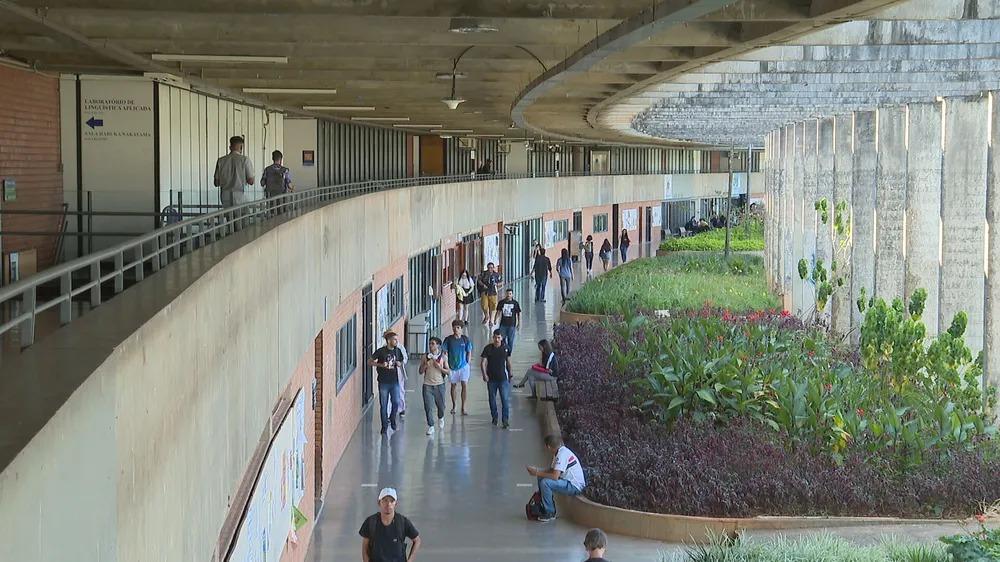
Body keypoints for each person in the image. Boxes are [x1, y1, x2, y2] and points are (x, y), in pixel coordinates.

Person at [526, 434, 586, 522]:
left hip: (574, 486)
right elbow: (552, 470)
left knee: (545, 483)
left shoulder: (561, 455)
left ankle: (550, 513)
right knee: (541, 477)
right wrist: (537, 470)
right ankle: (544, 504)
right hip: (567, 481)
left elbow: (554, 476)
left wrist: (536, 473)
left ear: (548, 447)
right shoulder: (559, 452)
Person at [359, 487, 421, 562]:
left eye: (392, 501)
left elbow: (417, 540)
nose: (388, 504)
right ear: (379, 503)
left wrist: (410, 560)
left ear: (396, 504)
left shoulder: (402, 522)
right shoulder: (371, 522)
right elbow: (365, 547)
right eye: (385, 500)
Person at [369, 331, 405, 434]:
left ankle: (392, 419)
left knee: (396, 402)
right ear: (389, 341)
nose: (396, 341)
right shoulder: (381, 351)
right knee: (383, 405)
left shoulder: (398, 351)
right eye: (395, 340)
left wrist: (400, 363)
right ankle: (384, 426)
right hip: (383, 382)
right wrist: (381, 365)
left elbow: (402, 361)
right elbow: (370, 362)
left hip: (394, 381)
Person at [480, 330, 513, 429]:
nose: (497, 339)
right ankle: (494, 417)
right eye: (495, 337)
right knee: (492, 399)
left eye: (499, 337)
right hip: (491, 379)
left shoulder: (506, 348)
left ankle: (505, 420)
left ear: (502, 338)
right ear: (493, 338)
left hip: (503, 378)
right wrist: (484, 374)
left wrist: (510, 373)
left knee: (505, 400)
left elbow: (508, 362)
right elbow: (483, 363)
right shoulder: (488, 349)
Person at [213, 135, 255, 208]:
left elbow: (216, 183)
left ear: (230, 147)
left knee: (228, 214)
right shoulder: (245, 160)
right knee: (241, 214)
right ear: (241, 147)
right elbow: (251, 181)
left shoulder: (221, 161)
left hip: (225, 195)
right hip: (239, 195)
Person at [442, 320, 474, 415]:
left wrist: (468, 363)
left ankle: (463, 407)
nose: (456, 329)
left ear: (461, 329)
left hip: (463, 366)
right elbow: (445, 352)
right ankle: (454, 406)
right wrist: (446, 365)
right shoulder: (448, 340)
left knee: (464, 385)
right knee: (453, 386)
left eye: (458, 327)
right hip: (452, 367)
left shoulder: (465, 339)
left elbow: (469, 351)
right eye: (454, 327)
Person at [419, 337, 449, 436]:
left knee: (441, 406)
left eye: (433, 343)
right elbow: (420, 371)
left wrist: (440, 368)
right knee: (428, 407)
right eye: (430, 344)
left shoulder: (443, 357)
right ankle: (431, 426)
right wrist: (425, 366)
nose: (430, 345)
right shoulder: (425, 357)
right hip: (427, 385)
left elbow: (448, 371)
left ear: (438, 345)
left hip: (439, 385)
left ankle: (441, 417)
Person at [497, 288, 521, 356]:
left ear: (512, 294)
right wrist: (495, 319)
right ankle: (504, 351)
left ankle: (509, 353)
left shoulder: (515, 303)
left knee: (511, 340)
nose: (508, 295)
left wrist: (519, 323)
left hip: (512, 325)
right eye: (507, 294)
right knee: (502, 339)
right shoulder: (501, 302)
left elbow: (518, 313)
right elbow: (498, 311)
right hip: (503, 324)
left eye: (510, 294)